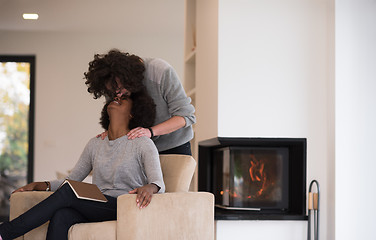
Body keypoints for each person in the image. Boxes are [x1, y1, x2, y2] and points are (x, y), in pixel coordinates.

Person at [0, 90, 165, 240]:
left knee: (69, 192)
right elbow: (72, 179)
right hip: (98, 205)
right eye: (116, 96)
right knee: (62, 215)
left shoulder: (142, 143)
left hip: (124, 206)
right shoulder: (95, 143)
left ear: (133, 113)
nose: (117, 98)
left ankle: (5, 232)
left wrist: (150, 187)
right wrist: (42, 185)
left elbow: (158, 183)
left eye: (124, 98)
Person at [84, 49, 196, 155]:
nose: (118, 95)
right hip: (139, 148)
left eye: (119, 89)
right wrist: (110, 133)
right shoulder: (112, 87)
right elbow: (118, 119)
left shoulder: (160, 71)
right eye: (112, 92)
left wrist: (150, 132)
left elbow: (185, 116)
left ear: (128, 78)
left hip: (174, 145)